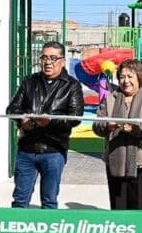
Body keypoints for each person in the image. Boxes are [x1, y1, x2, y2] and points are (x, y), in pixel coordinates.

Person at [5, 41, 83, 209]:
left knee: (49, 200)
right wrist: (22, 119)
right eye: (44, 58)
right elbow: (12, 109)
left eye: (53, 58)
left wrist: (51, 121)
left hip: (53, 150)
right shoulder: (29, 81)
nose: (48, 62)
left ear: (62, 61)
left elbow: (75, 117)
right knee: (20, 200)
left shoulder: (72, 85)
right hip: (27, 148)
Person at [92, 59, 142, 210]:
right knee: (118, 207)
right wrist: (107, 126)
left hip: (141, 163)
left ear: (139, 77)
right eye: (122, 77)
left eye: (130, 76)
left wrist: (135, 129)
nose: (126, 81)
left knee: (139, 207)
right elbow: (97, 126)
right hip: (115, 162)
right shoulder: (110, 99)